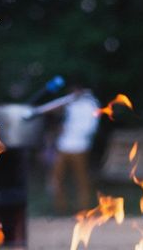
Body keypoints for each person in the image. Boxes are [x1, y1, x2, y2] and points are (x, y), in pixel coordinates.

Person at [49, 83, 100, 214]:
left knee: (81, 179)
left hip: (80, 147)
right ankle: (60, 208)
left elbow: (90, 128)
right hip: (63, 146)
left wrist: (68, 129)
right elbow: (54, 107)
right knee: (56, 178)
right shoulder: (69, 102)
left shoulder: (91, 105)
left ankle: (83, 209)